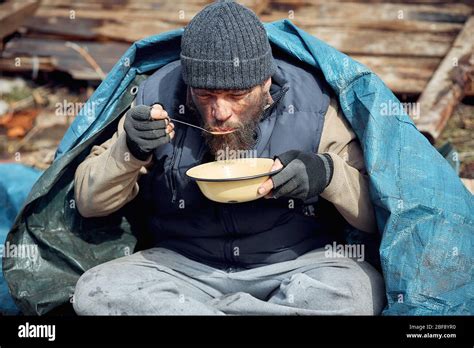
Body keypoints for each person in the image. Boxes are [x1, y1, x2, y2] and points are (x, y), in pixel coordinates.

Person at [72, 0, 385, 315]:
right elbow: (88, 202)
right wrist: (130, 149)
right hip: (184, 267)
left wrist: (327, 175)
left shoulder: (314, 106)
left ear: (265, 83)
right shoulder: (159, 98)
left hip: (297, 265)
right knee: (96, 291)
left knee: (359, 292)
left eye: (237, 96)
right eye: (205, 95)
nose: (219, 113)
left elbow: (381, 216)